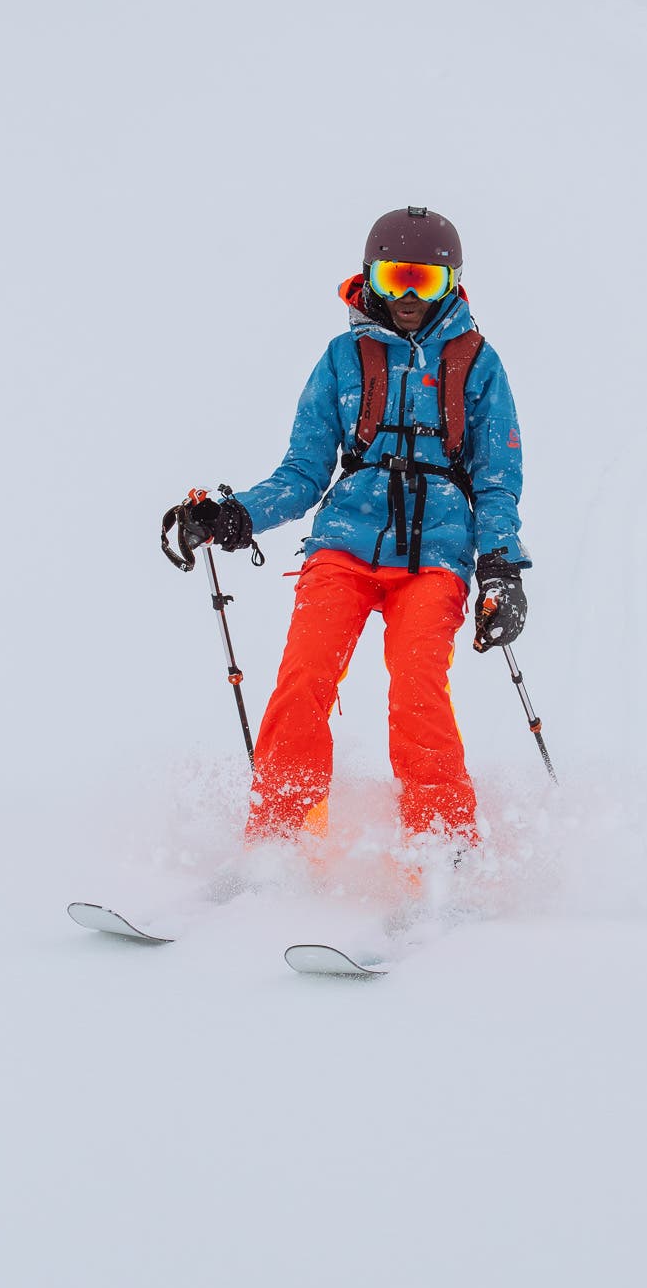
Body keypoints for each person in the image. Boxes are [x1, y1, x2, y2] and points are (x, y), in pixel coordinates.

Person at [174, 206, 529, 868]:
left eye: (423, 282)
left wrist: (501, 568)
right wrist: (236, 515)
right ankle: (280, 838)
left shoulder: (476, 364)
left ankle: (441, 847)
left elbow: (496, 478)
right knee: (303, 679)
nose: (405, 298)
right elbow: (304, 469)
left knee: (417, 690)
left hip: (437, 552)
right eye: (394, 278)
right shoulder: (345, 358)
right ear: (369, 275)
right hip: (343, 541)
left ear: (451, 283)